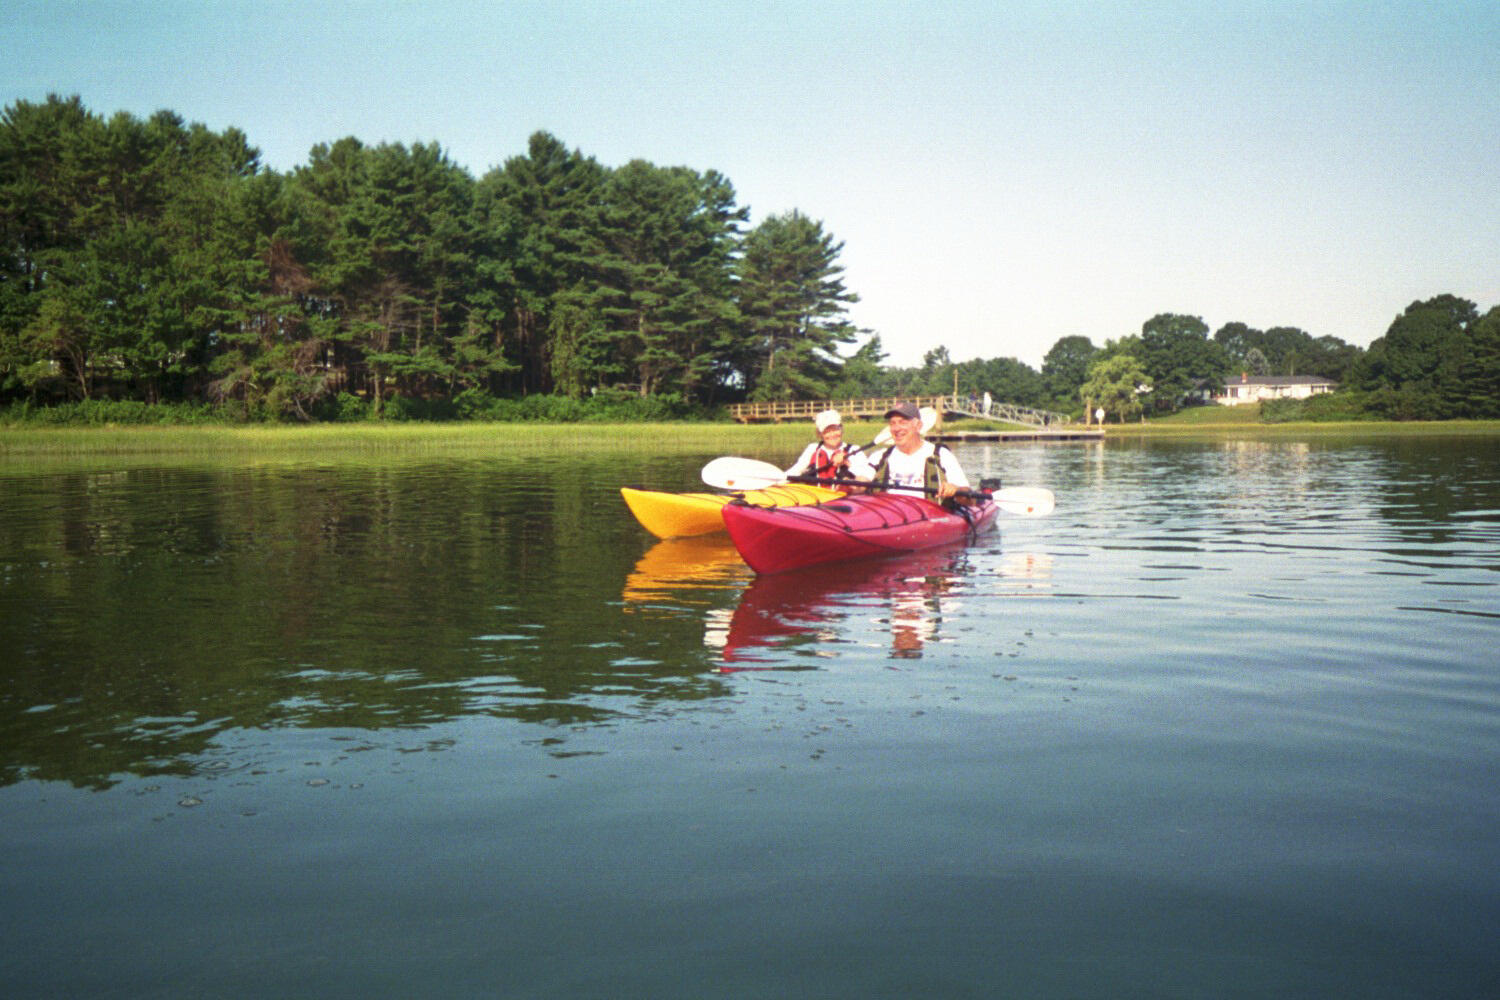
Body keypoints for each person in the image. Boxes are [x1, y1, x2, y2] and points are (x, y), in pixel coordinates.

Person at [867, 402, 972, 503]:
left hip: (929, 516)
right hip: (889, 515)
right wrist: (851, 485)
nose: (897, 428)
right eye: (893, 423)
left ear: (918, 425)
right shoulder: (879, 456)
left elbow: (968, 497)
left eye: (903, 422)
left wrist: (955, 489)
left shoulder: (941, 455)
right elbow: (860, 483)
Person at [785, 409, 874, 484]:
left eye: (835, 429)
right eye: (827, 431)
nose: (832, 434)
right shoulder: (812, 449)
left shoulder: (854, 450)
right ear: (820, 434)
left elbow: (867, 477)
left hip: (844, 499)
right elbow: (796, 470)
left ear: (841, 429)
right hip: (817, 496)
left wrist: (847, 463)